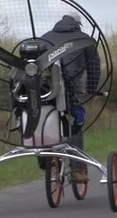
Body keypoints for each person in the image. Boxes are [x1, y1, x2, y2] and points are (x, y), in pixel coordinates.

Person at [38, 12, 101, 183]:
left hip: (43, 92)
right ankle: (78, 170)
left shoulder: (44, 38)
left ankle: (45, 156)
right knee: (76, 123)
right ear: (78, 25)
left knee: (42, 119)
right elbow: (94, 68)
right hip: (71, 92)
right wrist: (91, 90)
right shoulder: (84, 39)